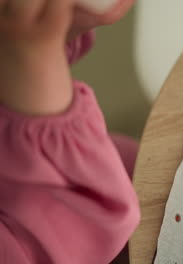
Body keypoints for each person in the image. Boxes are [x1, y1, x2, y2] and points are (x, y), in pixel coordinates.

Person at [0, 0, 141, 263]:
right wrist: (33, 58)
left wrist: (59, 21)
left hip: (93, 174)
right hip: (62, 225)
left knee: (147, 166)